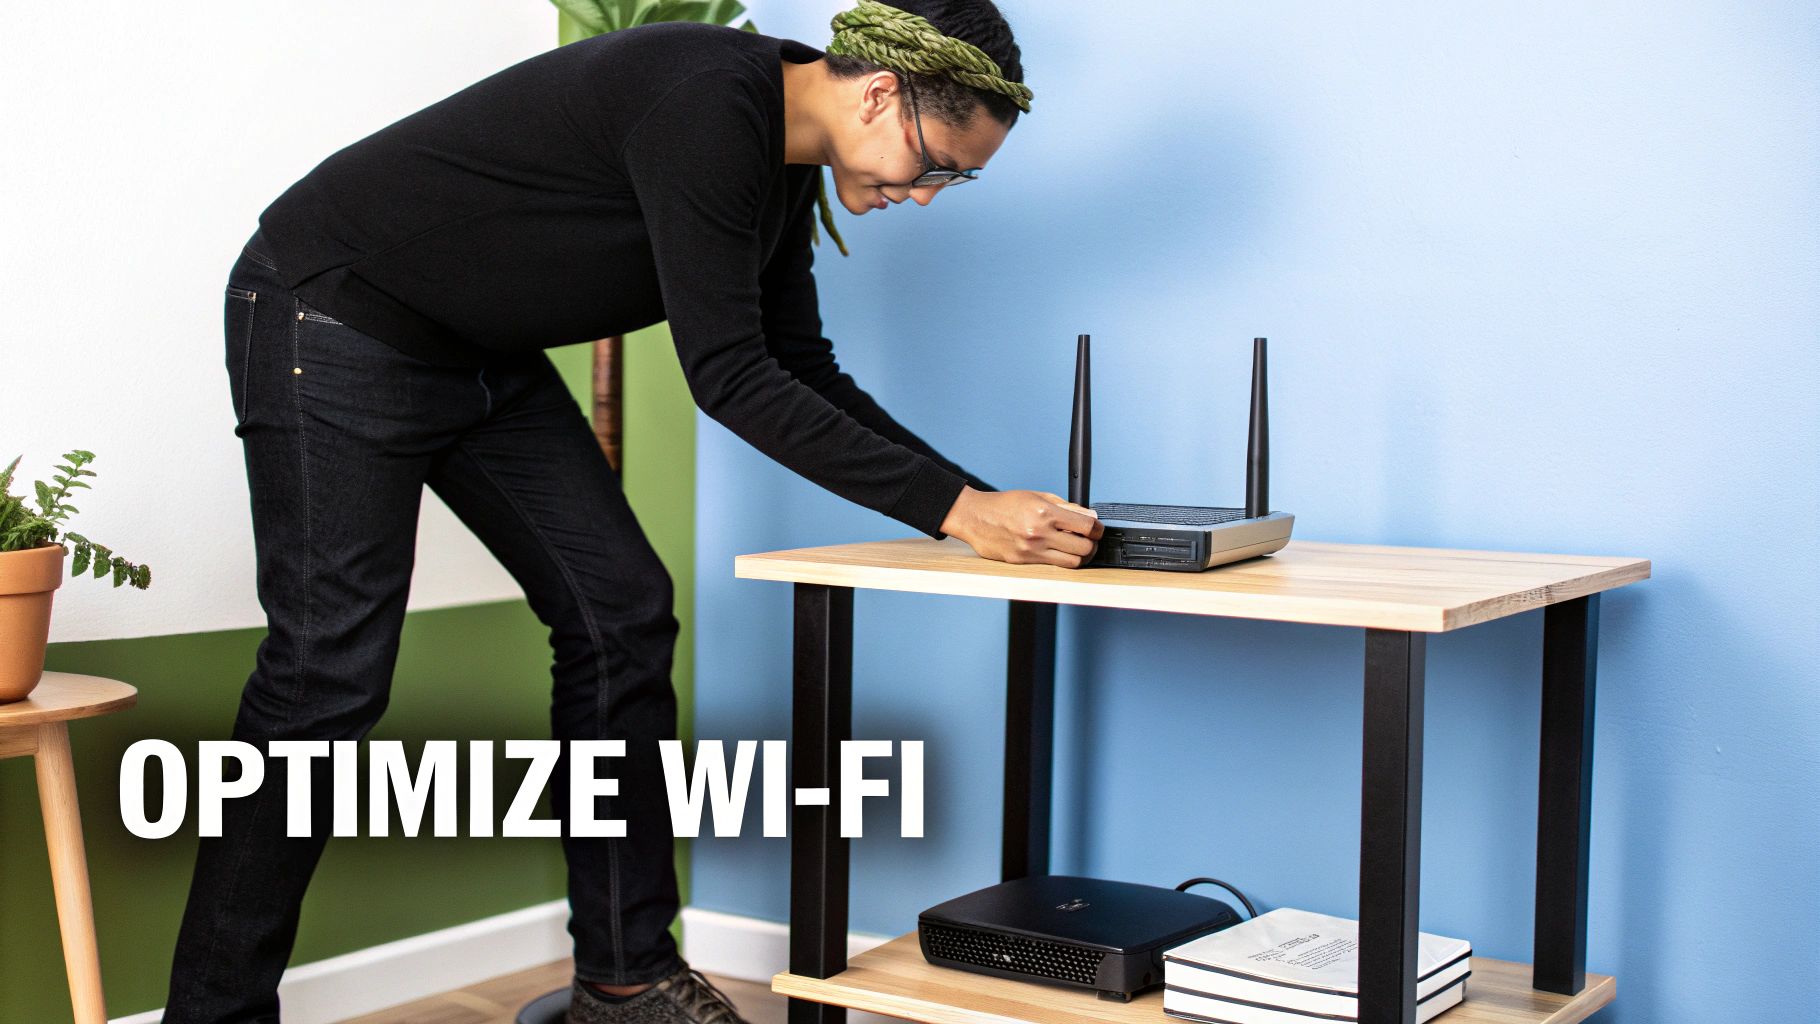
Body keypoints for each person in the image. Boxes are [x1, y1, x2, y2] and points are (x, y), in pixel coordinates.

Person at [167, 2, 1101, 1022]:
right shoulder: (705, 104)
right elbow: (731, 377)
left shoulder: (780, 164)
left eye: (949, 180)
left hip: (474, 354)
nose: (923, 196)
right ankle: (213, 1013)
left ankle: (622, 979)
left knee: (620, 611)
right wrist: (958, 510)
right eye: (936, 162)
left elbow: (798, 363)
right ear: (879, 92)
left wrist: (971, 501)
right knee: (324, 678)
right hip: (330, 316)